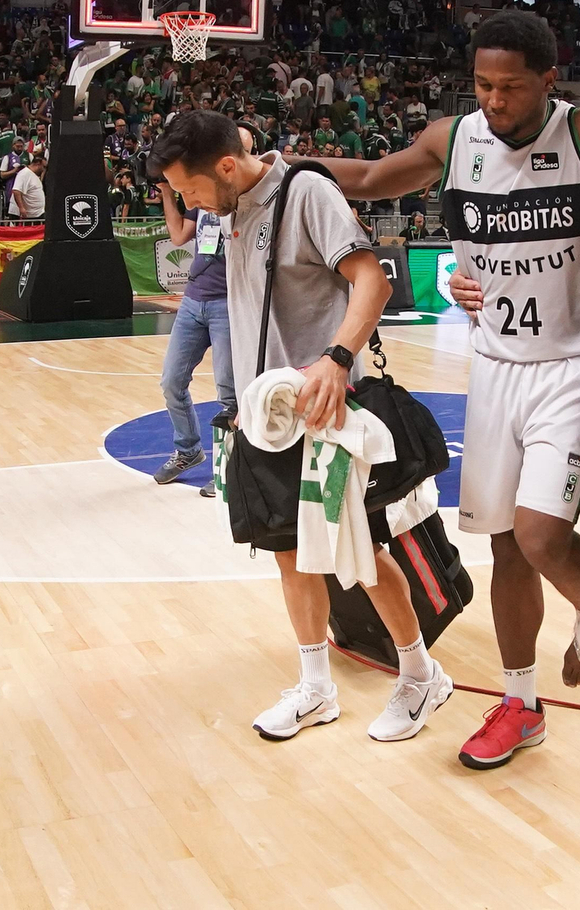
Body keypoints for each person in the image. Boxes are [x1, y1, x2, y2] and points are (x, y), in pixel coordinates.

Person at [315, 10, 580, 769]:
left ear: (548, 80)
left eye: (511, 87)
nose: (495, 100)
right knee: (505, 546)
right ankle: (520, 705)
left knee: (539, 536)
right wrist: (283, 165)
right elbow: (368, 179)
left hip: (571, 366)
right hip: (494, 367)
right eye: (482, 85)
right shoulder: (453, 139)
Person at [148, 110, 454, 743]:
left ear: (224, 167)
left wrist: (337, 359)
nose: (187, 202)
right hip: (269, 415)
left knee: (357, 550)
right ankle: (316, 687)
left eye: (189, 188)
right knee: (289, 552)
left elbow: (371, 280)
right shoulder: (231, 204)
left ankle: (422, 673)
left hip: (326, 408)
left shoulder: (307, 192)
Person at [151, 132, 241, 486]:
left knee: (229, 390)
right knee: (171, 382)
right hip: (193, 300)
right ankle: (188, 450)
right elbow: (178, 237)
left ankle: (231, 468)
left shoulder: (242, 196)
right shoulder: (197, 195)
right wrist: (167, 194)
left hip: (227, 303)